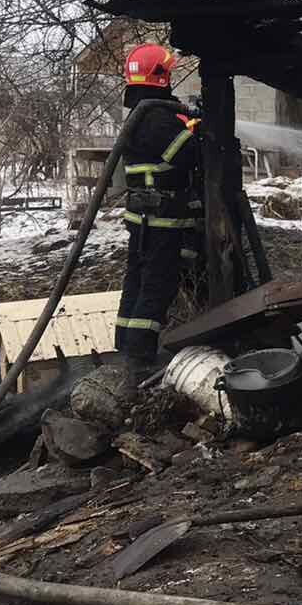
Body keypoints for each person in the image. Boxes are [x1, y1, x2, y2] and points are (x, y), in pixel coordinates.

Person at [113, 42, 202, 372]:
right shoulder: (157, 119)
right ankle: (139, 358)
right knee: (157, 283)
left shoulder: (142, 114)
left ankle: (123, 346)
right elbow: (188, 155)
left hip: (142, 217)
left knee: (135, 279)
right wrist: (195, 129)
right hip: (161, 218)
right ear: (161, 77)